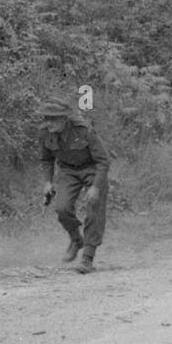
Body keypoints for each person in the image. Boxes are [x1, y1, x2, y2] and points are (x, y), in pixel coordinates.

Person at [38, 97, 110, 274]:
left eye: (53, 119)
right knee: (62, 208)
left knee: (94, 208)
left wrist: (96, 186)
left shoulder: (84, 131)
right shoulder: (44, 133)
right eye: (46, 118)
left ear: (64, 119)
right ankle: (76, 239)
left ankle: (87, 257)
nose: (49, 123)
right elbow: (46, 159)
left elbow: (103, 161)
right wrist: (47, 182)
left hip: (92, 169)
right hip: (68, 172)